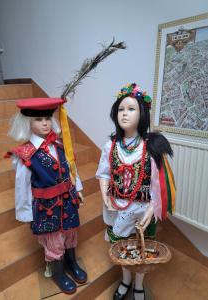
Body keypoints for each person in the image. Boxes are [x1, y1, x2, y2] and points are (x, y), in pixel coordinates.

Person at [96, 83, 175, 300]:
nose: (125, 114)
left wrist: (152, 207)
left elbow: (160, 184)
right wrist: (105, 196)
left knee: (142, 248)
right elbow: (103, 173)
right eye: (121, 109)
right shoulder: (110, 145)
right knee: (122, 247)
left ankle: (138, 284)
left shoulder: (152, 146)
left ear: (142, 114)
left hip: (143, 210)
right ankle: (125, 280)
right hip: (117, 208)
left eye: (131, 109)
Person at [5, 97, 87, 295]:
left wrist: (78, 187)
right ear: (28, 123)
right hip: (47, 207)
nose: (45, 123)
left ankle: (71, 262)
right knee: (54, 240)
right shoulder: (26, 154)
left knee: (70, 234)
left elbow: (70, 168)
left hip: (67, 201)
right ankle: (58, 273)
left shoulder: (59, 144)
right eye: (39, 119)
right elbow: (22, 186)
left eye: (48, 118)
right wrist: (25, 213)